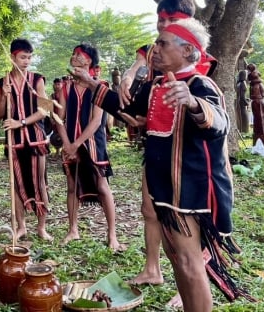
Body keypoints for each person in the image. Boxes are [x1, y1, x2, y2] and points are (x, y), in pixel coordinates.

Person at [70, 19, 252, 312]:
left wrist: (192, 103)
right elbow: (125, 106)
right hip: (164, 188)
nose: (156, 49)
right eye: (157, 42)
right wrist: (91, 82)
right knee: (177, 257)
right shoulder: (155, 85)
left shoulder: (200, 84)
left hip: (190, 191)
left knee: (190, 262)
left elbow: (219, 123)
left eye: (164, 43)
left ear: (189, 52)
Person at [118, 0, 212, 307]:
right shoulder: (157, 54)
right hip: (158, 150)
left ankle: (192, 280)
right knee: (150, 209)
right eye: (160, 19)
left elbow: (206, 113)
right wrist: (130, 78)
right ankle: (153, 268)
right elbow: (139, 91)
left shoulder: (197, 62)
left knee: (188, 221)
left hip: (190, 161)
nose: (162, 25)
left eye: (171, 19)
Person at [55, 43, 124, 251]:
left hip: (93, 144)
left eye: (79, 55)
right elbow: (60, 117)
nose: (74, 57)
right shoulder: (66, 86)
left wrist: (76, 144)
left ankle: (112, 235)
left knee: (102, 187)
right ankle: (73, 230)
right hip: (70, 143)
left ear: (89, 61)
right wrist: (67, 143)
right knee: (72, 186)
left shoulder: (99, 85)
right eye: (73, 54)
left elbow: (96, 121)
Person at [0, 38, 53, 241]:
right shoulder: (1, 83)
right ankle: (21, 227)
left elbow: (45, 110)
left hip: (36, 139)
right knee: (17, 184)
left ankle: (42, 227)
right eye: (22, 57)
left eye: (29, 57)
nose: (26, 61)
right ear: (12, 57)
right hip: (14, 142)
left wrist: (22, 122)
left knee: (40, 183)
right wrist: (4, 97)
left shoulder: (37, 80)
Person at [247, 63, 264, 146]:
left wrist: (258, 98)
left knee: (262, 118)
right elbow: (251, 95)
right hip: (255, 102)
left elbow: (263, 94)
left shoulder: (259, 84)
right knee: (257, 119)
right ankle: (258, 136)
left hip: (260, 102)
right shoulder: (252, 86)